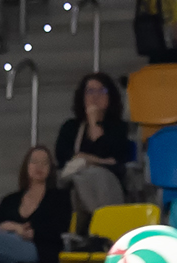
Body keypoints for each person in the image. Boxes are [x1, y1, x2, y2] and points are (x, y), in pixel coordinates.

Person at [0, 145, 76, 263]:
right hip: (7, 246)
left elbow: (61, 230)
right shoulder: (9, 200)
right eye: (34, 162)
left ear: (50, 169)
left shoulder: (59, 198)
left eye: (45, 163)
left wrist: (32, 233)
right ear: (26, 166)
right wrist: (14, 227)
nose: (39, 166)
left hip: (39, 249)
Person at [57, 72, 136, 224]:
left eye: (102, 91)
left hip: (108, 184)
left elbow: (117, 158)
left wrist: (94, 124)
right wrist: (101, 161)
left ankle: (93, 222)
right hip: (73, 182)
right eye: (90, 91)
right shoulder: (70, 127)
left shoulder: (119, 128)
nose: (95, 96)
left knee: (92, 176)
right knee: (79, 181)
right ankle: (96, 221)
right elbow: (63, 157)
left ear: (110, 96)